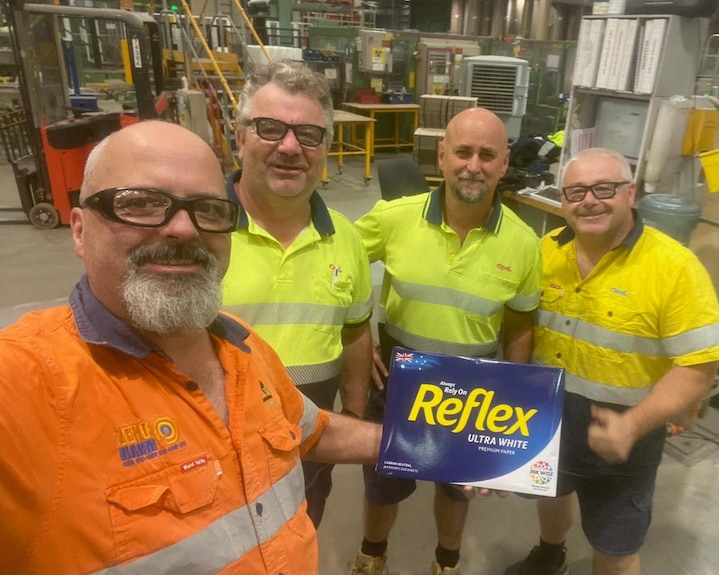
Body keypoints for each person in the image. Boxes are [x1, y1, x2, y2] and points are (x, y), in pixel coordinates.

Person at [0, 121, 382, 575]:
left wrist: (458, 450)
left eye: (207, 209)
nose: (183, 228)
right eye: (140, 203)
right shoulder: (22, 386)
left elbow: (315, 432)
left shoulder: (241, 345)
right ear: (80, 231)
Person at [504, 147, 719, 575]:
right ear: (562, 201)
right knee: (551, 494)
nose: (588, 200)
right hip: (549, 422)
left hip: (624, 437)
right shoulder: (545, 252)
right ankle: (550, 552)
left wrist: (633, 425)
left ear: (630, 193)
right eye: (575, 191)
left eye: (604, 188)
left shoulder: (673, 267)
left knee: (616, 541)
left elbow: (701, 365)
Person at [349, 107, 542, 575]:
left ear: (503, 162)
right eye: (463, 152)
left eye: (487, 155)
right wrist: (356, 337)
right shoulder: (394, 218)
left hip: (471, 394)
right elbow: (338, 267)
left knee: (456, 487)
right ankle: (371, 555)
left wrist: (513, 397)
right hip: (397, 385)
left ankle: (446, 562)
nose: (473, 165)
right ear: (442, 155)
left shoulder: (522, 243)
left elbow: (520, 323)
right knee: (384, 483)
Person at [221, 60, 374, 528]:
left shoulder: (346, 238)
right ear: (240, 135)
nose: (290, 147)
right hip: (216, 453)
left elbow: (355, 334)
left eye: (308, 134)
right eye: (270, 128)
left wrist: (352, 415)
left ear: (325, 147)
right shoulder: (199, 232)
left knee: (301, 537)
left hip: (310, 449)